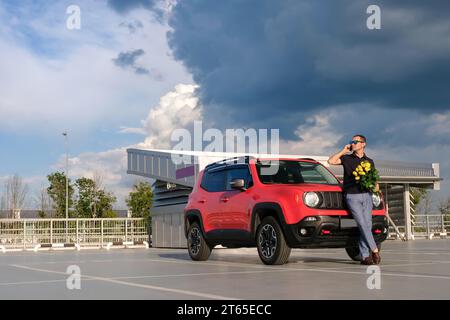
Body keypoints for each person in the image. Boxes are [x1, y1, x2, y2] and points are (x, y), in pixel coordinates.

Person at [327, 134, 381, 265]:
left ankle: (364, 256)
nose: (353, 143)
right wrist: (343, 150)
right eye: (352, 141)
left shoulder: (369, 161)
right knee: (362, 223)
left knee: (367, 225)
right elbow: (331, 161)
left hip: (367, 195)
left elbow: (374, 180)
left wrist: (376, 187)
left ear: (363, 144)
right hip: (352, 196)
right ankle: (374, 250)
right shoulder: (346, 158)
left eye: (356, 141)